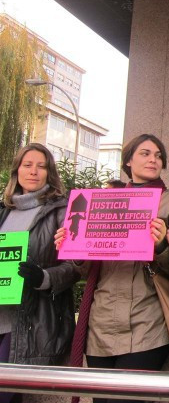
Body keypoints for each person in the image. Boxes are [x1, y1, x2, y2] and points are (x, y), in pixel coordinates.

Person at [54, 134, 169, 403]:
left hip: (147, 324)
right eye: (145, 153)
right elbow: (87, 270)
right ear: (128, 160)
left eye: (158, 156)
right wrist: (72, 248)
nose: (153, 159)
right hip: (100, 326)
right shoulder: (102, 202)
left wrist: (160, 247)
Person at [0, 144, 77, 403]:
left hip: (29, 324)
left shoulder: (62, 211)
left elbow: (75, 267)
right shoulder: (3, 211)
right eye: (27, 165)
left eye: (41, 166)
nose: (34, 171)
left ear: (50, 173)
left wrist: (43, 278)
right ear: (17, 171)